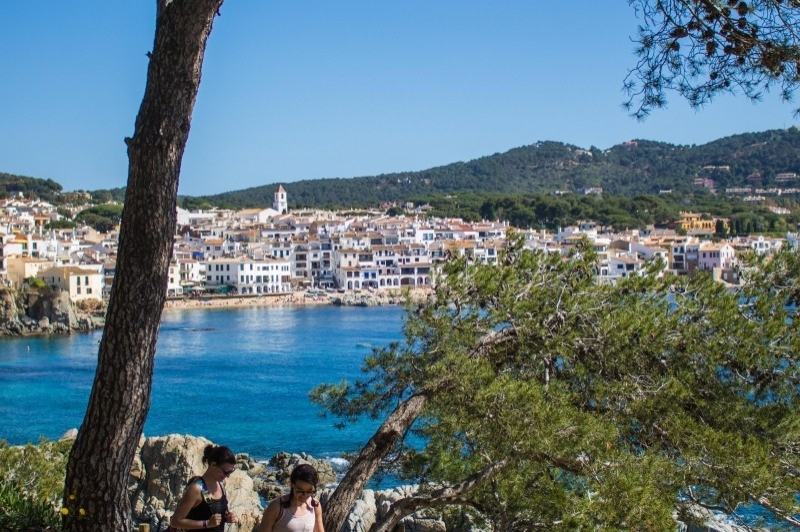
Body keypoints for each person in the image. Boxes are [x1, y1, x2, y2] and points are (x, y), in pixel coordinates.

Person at [170, 444, 239, 531]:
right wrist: (206, 524)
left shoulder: (221, 484)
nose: (228, 476)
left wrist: (228, 517)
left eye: (231, 471)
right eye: (226, 472)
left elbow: (214, 515)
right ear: (213, 465)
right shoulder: (196, 489)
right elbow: (175, 521)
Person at [257, 463, 325, 532]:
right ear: (292, 485)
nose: (305, 495)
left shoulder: (315, 506)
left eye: (310, 491)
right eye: (300, 490)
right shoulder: (277, 507)